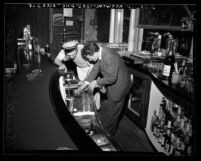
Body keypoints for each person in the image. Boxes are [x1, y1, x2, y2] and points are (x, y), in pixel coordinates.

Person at [77, 41, 132, 136]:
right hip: (113, 86)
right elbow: (95, 70)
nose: (89, 60)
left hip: (119, 87)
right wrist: (85, 84)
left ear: (93, 53)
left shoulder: (109, 56)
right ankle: (109, 131)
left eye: (89, 57)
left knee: (112, 116)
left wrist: (96, 82)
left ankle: (107, 137)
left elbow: (112, 78)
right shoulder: (101, 53)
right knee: (110, 112)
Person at [54, 40, 101, 110]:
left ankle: (96, 109)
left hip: (91, 68)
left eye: (73, 54)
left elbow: (92, 66)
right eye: (69, 55)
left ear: (76, 49)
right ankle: (87, 107)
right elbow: (56, 60)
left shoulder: (83, 50)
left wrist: (85, 80)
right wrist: (62, 65)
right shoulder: (65, 50)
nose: (72, 57)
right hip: (80, 68)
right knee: (84, 90)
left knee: (93, 89)